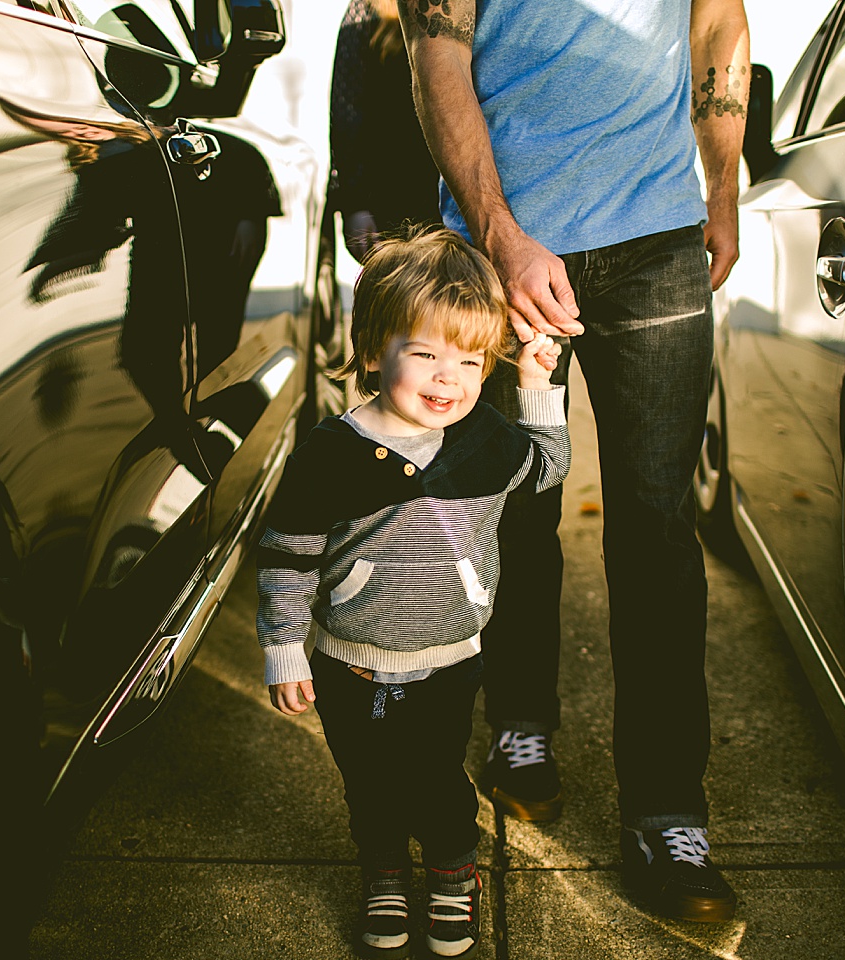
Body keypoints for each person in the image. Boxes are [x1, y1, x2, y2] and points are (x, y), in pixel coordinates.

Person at [397, 0, 751, 923]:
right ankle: (520, 729)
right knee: (518, 505)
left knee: (658, 529)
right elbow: (437, 51)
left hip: (659, 243)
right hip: (506, 240)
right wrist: (501, 235)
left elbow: (717, 29)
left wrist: (722, 189)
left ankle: (667, 812)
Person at [255, 227, 569, 958]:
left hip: (448, 661)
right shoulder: (331, 452)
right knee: (367, 785)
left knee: (436, 778)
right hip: (345, 660)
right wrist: (283, 646)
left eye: (468, 359)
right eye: (423, 353)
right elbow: (288, 555)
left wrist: (533, 385)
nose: (446, 378)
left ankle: (454, 872)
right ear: (373, 353)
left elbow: (547, 468)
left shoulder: (487, 440)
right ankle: (385, 872)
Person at [329, 0, 442, 261]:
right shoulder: (367, 11)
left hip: (454, 187)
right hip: (391, 190)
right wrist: (355, 205)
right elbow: (348, 114)